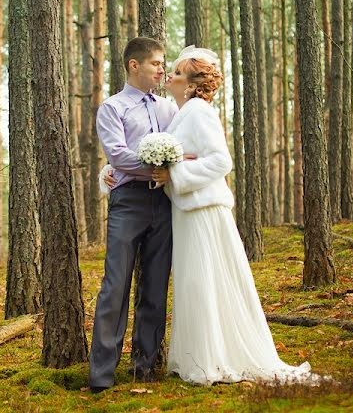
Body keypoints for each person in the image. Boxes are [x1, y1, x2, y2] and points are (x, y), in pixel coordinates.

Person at [107, 45, 322, 386]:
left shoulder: (198, 111)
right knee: (195, 283)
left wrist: (174, 174)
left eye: (175, 73)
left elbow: (221, 161)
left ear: (191, 84)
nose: (169, 76)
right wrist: (113, 168)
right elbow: (156, 147)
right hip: (186, 211)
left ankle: (212, 359)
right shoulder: (179, 112)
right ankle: (201, 355)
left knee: (206, 281)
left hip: (203, 210)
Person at [88, 37, 178, 392]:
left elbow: (183, 149)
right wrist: (154, 165)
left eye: (163, 63)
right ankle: (101, 375)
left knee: (155, 285)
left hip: (165, 202)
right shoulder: (113, 108)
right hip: (128, 202)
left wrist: (170, 171)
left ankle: (145, 367)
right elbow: (118, 154)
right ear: (134, 65)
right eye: (156, 63)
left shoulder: (170, 109)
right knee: (115, 285)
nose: (161, 69)